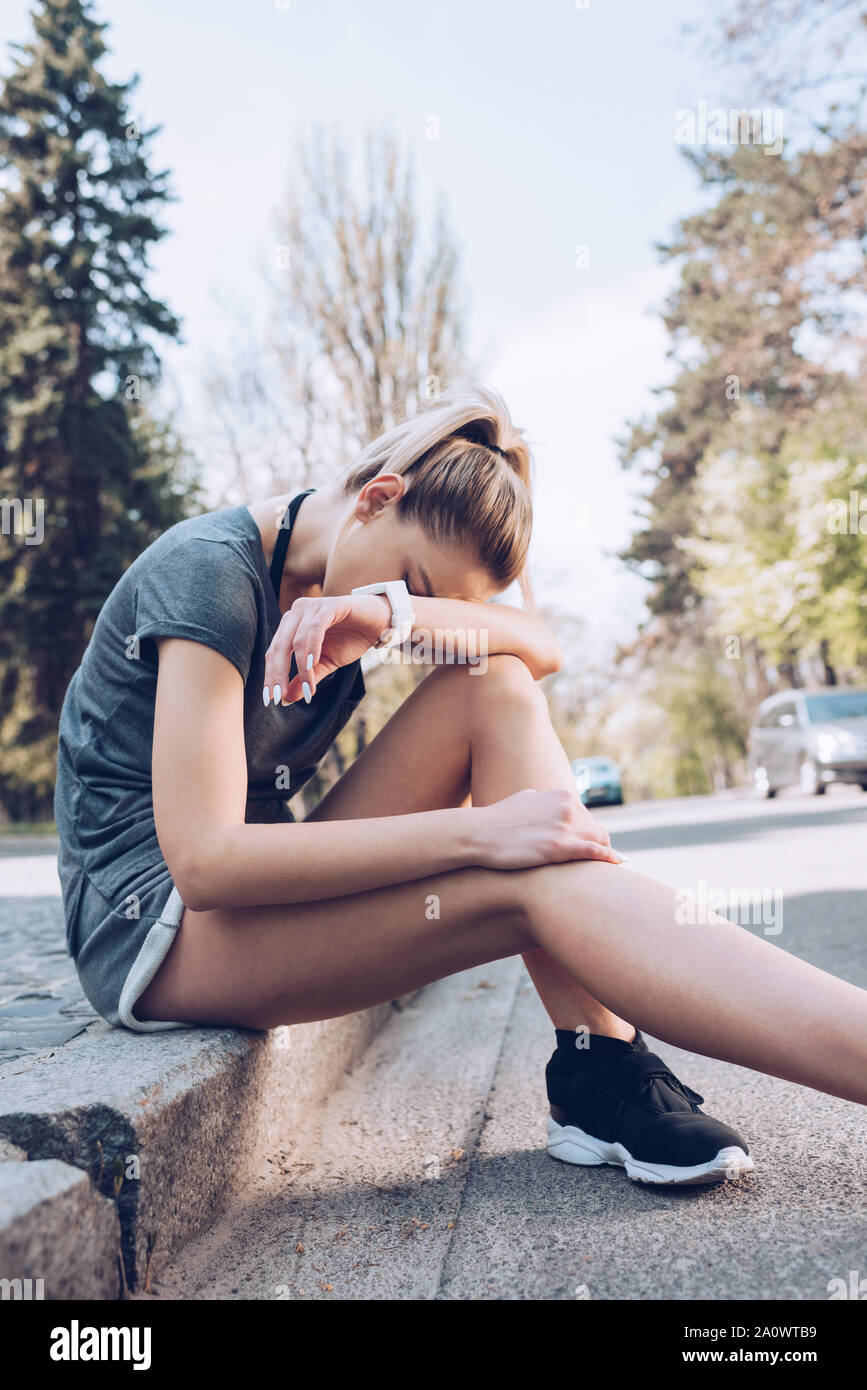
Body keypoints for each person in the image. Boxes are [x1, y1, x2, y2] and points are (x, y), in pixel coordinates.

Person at [54, 383, 867, 1188]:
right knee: (527, 881)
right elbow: (205, 863)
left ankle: (600, 1068)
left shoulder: (345, 595)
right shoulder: (209, 576)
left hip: (256, 894)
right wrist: (482, 834)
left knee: (495, 685)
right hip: (157, 933)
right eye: (408, 582)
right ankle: (612, 1072)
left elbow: (535, 645)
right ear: (376, 498)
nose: (404, 611)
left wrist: (395, 617)